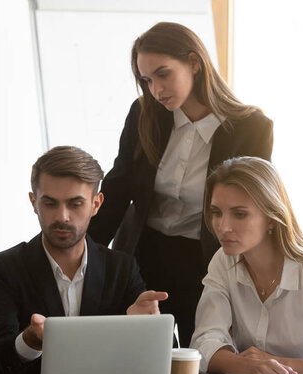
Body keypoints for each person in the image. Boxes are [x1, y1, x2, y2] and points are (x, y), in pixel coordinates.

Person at [87, 22, 274, 346]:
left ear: (194, 63)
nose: (156, 89)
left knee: (199, 360)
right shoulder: (145, 113)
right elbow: (119, 186)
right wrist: (81, 248)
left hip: (205, 260)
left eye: (163, 74)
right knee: (136, 356)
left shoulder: (251, 128)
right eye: (146, 80)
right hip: (142, 254)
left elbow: (254, 207)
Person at [0, 146, 168, 374]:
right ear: (33, 202)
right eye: (50, 203)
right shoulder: (3, 268)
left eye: (75, 203)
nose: (63, 217)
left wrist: (144, 329)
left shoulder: (121, 268)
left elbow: (155, 362)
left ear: (96, 204)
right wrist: (29, 341)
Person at [190, 156, 303, 374]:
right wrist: (249, 367)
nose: (223, 226)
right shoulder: (223, 261)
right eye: (217, 212)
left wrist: (278, 364)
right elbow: (203, 343)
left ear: (272, 217)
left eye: (239, 214)